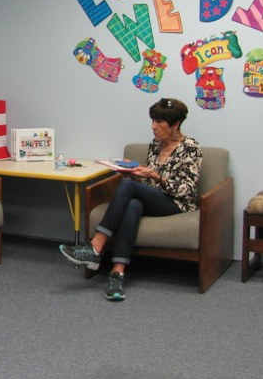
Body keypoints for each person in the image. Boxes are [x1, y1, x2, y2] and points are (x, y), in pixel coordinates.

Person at [59, 98, 201, 300]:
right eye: (152, 121)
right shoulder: (155, 145)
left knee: (127, 187)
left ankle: (95, 246)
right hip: (152, 198)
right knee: (133, 203)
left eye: (159, 122)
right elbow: (147, 182)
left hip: (176, 203)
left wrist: (156, 176)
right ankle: (117, 274)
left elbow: (187, 189)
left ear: (176, 124)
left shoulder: (191, 147)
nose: (153, 127)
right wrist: (134, 174)